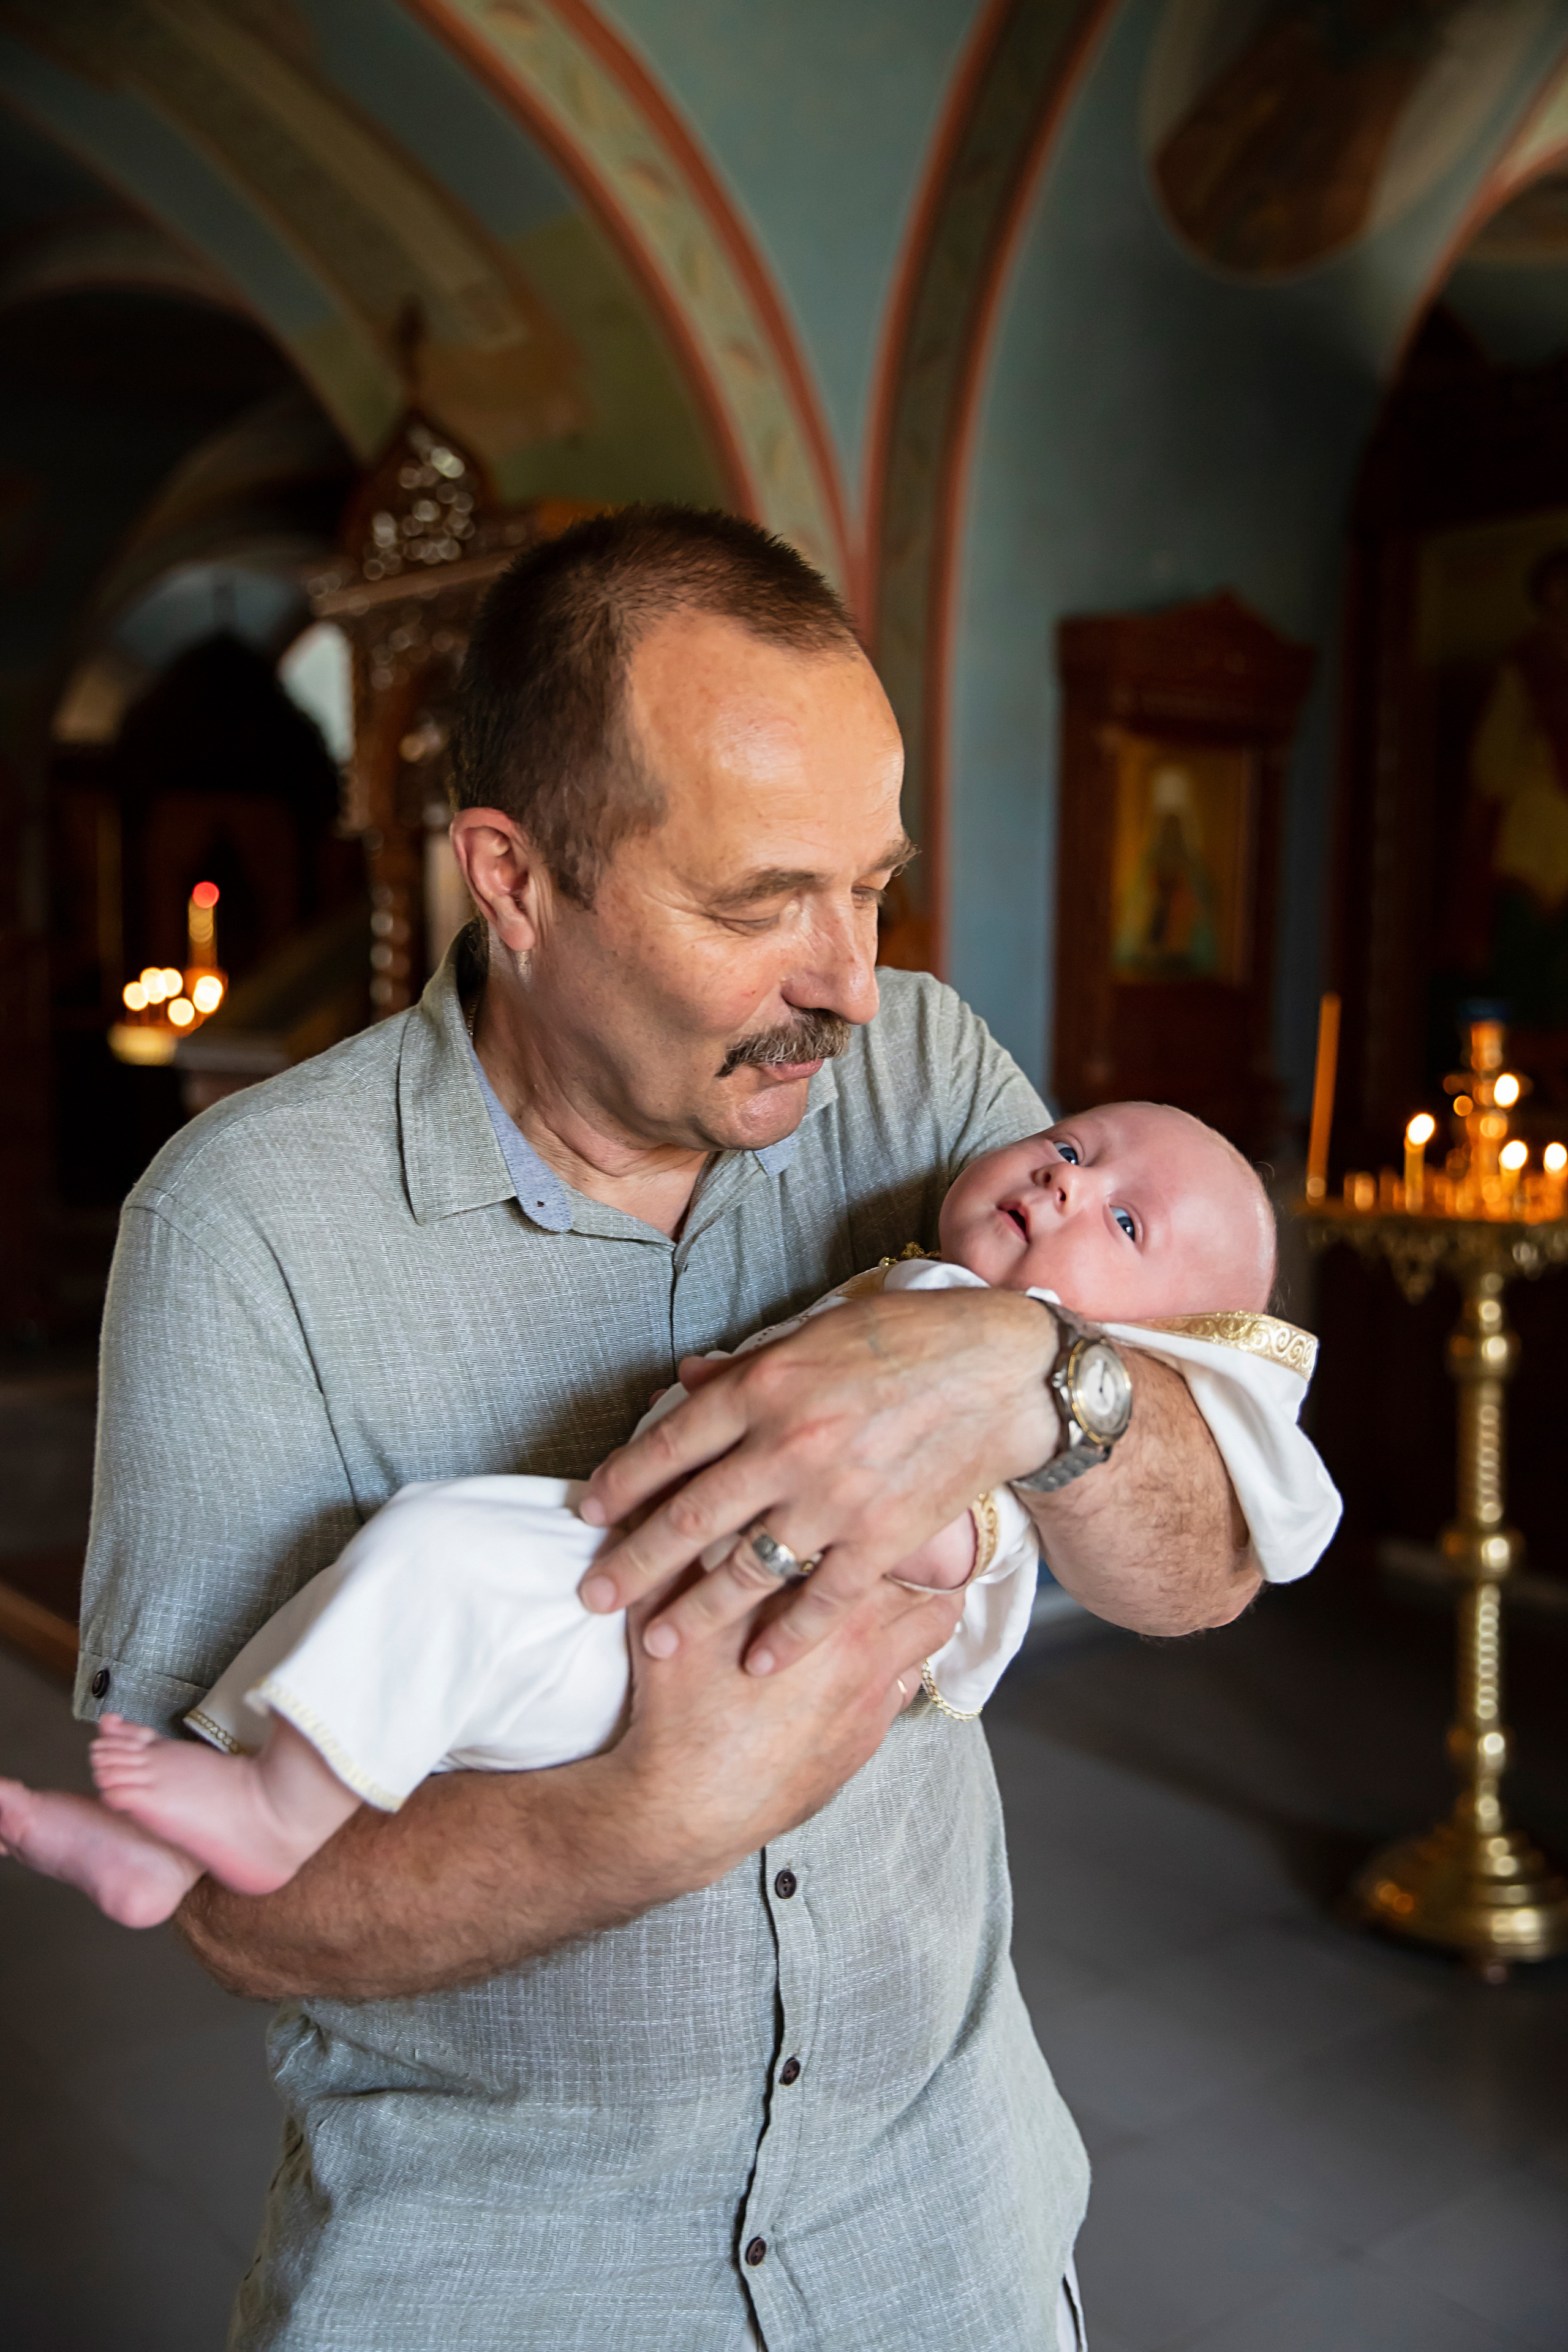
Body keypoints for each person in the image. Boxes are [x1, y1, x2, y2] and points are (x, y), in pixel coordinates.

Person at [39, 508, 1310, 2351]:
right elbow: (243, 1919)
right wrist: (658, 1811)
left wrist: (1031, 1378)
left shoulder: (925, 1076)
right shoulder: (245, 1229)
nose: (846, 980)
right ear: (514, 878)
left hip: (945, 2232)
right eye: (757, 902)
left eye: (872, 887)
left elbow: (1201, 1572)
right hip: (511, 2284)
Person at [0, 1103, 1338, 1926]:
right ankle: (168, 1852)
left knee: (432, 1554)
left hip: (685, 1633)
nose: (1062, 1180)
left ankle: (269, 1817)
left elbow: (948, 1548)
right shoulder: (931, 1275)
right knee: (416, 1569)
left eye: (1122, 1222)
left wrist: (883, 1458)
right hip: (633, 1581)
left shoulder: (1023, 1391)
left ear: (1145, 1345)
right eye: (1072, 1145)